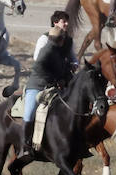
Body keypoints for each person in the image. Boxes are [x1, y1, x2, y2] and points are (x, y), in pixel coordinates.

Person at [21, 11, 77, 157]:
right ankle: (25, 144)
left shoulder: (68, 41)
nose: (65, 24)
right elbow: (39, 63)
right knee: (29, 113)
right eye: (62, 21)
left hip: (59, 81)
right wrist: (58, 76)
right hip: (39, 84)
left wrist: (73, 66)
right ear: (55, 23)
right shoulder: (45, 43)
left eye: (66, 21)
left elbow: (72, 58)